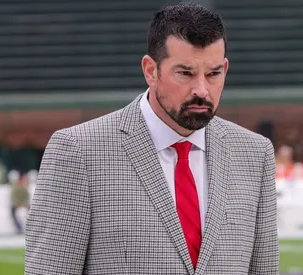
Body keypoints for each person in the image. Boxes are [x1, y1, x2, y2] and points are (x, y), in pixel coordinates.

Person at [25, 3, 278, 275]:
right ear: (150, 71)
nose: (201, 90)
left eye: (213, 74)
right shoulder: (78, 151)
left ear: (225, 70)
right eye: (185, 73)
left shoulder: (255, 154)